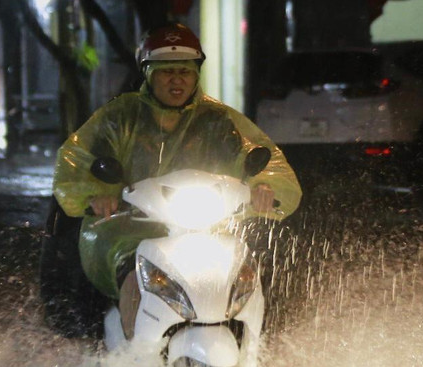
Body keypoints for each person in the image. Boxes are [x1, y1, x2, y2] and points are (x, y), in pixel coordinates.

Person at [52, 23, 301, 339]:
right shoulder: (120, 116)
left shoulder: (218, 120)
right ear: (148, 74)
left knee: (245, 268)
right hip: (128, 226)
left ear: (196, 74)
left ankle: (258, 345)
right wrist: (99, 194)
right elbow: (81, 161)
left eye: (184, 71)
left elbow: (255, 156)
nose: (176, 80)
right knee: (133, 273)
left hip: (206, 225)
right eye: (166, 71)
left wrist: (262, 187)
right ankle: (132, 360)